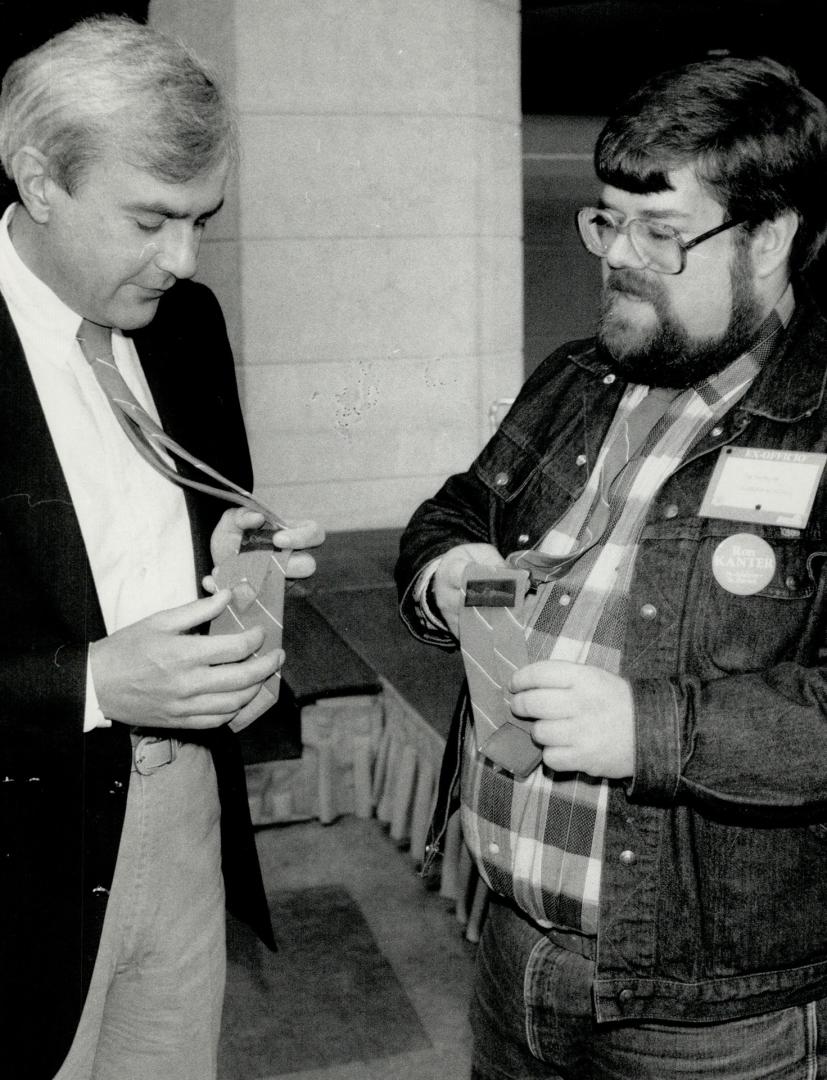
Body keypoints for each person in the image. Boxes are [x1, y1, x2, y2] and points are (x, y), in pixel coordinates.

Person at [396, 54, 827, 1079]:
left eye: (659, 232)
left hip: (707, 1015)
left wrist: (647, 730)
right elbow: (459, 506)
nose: (616, 257)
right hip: (511, 947)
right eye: (603, 222)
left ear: (766, 237)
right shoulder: (577, 376)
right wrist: (445, 567)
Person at [0, 16, 323, 1080]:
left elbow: (179, 539)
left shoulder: (185, 325)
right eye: (151, 220)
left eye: (202, 221)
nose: (182, 261)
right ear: (39, 177)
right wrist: (92, 681)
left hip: (185, 811)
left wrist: (235, 577)